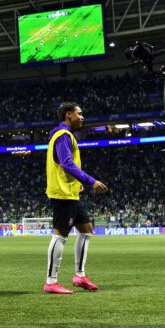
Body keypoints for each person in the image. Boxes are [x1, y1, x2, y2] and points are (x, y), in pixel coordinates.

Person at [44, 102, 108, 294]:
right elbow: (66, 163)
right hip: (62, 194)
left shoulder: (65, 135)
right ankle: (51, 281)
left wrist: (78, 183)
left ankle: (79, 276)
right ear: (68, 114)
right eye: (79, 113)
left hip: (71, 193)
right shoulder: (63, 136)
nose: (82, 117)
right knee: (60, 236)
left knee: (86, 230)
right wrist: (90, 181)